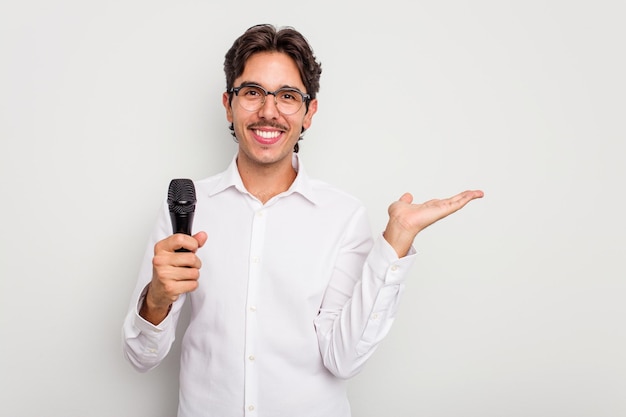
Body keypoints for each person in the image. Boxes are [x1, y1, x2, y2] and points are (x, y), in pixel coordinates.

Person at [122, 23, 484, 417]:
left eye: (288, 96)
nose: (268, 111)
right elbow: (141, 356)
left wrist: (397, 239)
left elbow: (343, 359)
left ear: (309, 112)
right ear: (228, 103)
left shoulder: (342, 216)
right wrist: (156, 298)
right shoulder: (186, 206)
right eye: (253, 92)